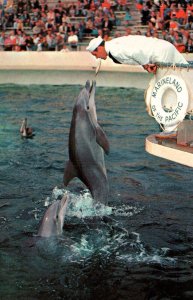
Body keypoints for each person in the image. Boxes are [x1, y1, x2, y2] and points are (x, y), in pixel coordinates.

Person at [86, 35, 189, 74]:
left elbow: (136, 52)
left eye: (95, 54)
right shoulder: (114, 43)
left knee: (167, 84)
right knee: (188, 73)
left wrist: (145, 65)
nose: (97, 57)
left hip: (160, 54)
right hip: (165, 46)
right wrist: (146, 64)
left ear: (99, 48)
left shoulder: (114, 50)